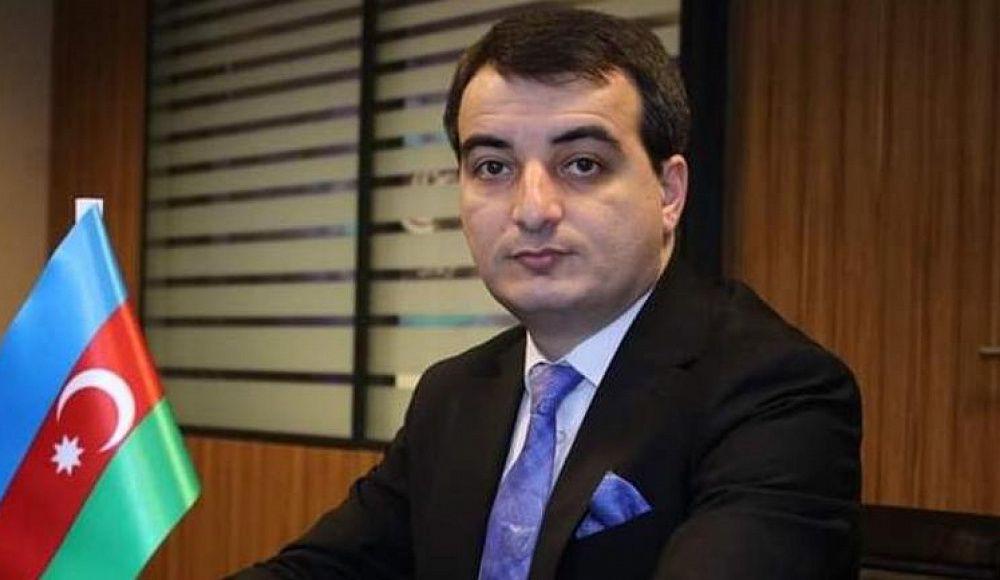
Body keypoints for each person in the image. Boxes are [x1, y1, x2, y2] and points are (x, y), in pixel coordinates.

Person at [234, 6, 861, 579]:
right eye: (493, 167)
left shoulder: (776, 393)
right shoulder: (453, 394)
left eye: (582, 164)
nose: (532, 209)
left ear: (668, 192)